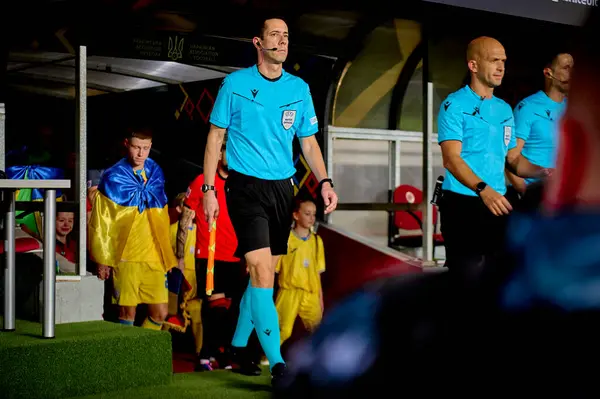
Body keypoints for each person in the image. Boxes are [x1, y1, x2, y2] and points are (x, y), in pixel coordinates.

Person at [202, 17, 338, 387]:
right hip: (245, 187)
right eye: (275, 35)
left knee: (265, 275)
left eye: (287, 36)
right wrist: (210, 189)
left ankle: (236, 343)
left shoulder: (299, 88)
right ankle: (277, 362)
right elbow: (215, 138)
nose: (282, 41)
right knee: (262, 272)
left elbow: (308, 143)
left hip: (283, 188)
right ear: (258, 42)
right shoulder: (236, 84)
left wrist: (324, 181)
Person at [437, 36, 550, 280]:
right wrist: (483, 189)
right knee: (465, 281)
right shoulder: (453, 104)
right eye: (493, 60)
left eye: (503, 61)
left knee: (501, 280)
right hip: (462, 204)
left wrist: (545, 172)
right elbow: (451, 159)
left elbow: (513, 160)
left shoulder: (504, 109)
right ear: (473, 66)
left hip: (498, 203)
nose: (501, 67)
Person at [89, 128, 177, 330]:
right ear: (126, 144)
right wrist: (103, 259)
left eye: (145, 148)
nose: (140, 153)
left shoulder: (156, 172)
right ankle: (125, 358)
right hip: (125, 256)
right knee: (127, 313)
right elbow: (103, 221)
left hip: (153, 255)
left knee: (160, 313)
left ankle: (142, 355)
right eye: (137, 147)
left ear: (151, 147)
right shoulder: (114, 175)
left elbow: (162, 215)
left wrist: (166, 254)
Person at [179, 143, 255, 373]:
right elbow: (186, 217)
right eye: (228, 151)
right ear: (219, 153)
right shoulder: (204, 181)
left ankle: (219, 355)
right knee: (216, 309)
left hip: (237, 258)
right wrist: (180, 255)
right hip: (210, 256)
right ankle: (206, 357)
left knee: (234, 312)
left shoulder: (243, 183)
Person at [505, 53, 573, 206]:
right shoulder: (528, 107)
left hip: (566, 198)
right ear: (548, 72)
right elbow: (510, 158)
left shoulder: (574, 108)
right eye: (566, 67)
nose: (572, 73)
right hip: (536, 197)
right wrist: (525, 191)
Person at [275, 198, 325, 346]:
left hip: (310, 293)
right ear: (296, 215)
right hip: (288, 291)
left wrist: (320, 298)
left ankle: (320, 361)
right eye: (307, 214)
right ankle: (267, 358)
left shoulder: (316, 241)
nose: (311, 218)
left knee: (317, 328)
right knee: (282, 330)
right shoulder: (286, 239)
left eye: (314, 214)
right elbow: (274, 268)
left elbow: (317, 273)